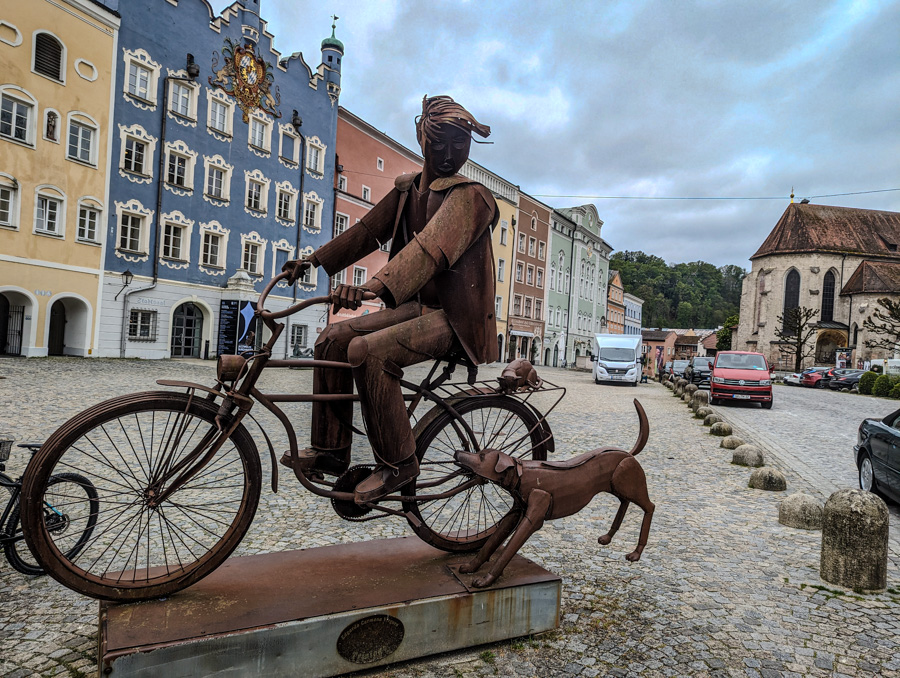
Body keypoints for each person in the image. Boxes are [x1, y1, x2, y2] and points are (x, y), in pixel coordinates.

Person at [281, 95, 498, 504]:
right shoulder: (406, 191)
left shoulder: (473, 197)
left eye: (460, 143)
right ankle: (331, 451)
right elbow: (364, 233)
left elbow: (431, 249)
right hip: (414, 308)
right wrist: (311, 262)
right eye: (439, 143)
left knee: (369, 351)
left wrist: (373, 287)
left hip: (456, 321)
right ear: (421, 136)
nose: (450, 154)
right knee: (331, 339)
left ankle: (399, 464)